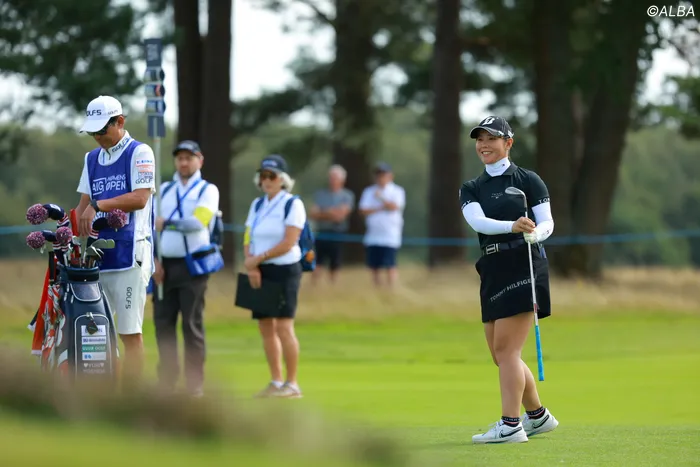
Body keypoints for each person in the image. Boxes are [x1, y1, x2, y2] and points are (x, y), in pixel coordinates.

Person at [460, 116, 559, 444]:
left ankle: (511, 425)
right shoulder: (472, 187)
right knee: (500, 354)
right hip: (492, 267)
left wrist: (535, 234)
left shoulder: (529, 180)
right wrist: (512, 226)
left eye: (491, 138)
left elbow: (547, 222)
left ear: (508, 143)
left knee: (506, 350)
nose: (484, 145)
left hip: (524, 264)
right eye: (480, 139)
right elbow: (478, 222)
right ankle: (538, 417)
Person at [75, 95, 156, 390]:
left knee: (129, 333)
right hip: (98, 258)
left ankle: (131, 400)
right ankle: (108, 396)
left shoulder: (140, 152)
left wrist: (98, 206)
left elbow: (140, 198)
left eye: (102, 129)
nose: (97, 136)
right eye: (93, 131)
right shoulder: (91, 158)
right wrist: (68, 237)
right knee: (99, 333)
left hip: (130, 255)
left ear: (120, 122)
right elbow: (82, 207)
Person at [152, 140, 221, 397]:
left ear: (199, 160)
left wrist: (168, 223)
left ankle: (194, 385)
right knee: (163, 324)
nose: (183, 162)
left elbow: (198, 222)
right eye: (180, 158)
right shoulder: (164, 189)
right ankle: (167, 382)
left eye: (189, 158)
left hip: (193, 266)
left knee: (191, 325)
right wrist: (153, 261)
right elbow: (150, 227)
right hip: (164, 265)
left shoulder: (207, 190)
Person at [243, 154, 306, 398]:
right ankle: (276, 381)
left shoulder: (292, 204)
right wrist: (251, 265)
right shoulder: (257, 205)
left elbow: (289, 242)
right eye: (264, 176)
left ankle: (293, 383)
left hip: (285, 269)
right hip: (260, 270)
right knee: (265, 326)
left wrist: (258, 258)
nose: (267, 180)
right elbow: (248, 236)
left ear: (283, 179)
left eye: (272, 176)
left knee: (283, 326)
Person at [358, 162, 405, 287]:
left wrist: (381, 199)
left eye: (383, 175)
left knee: (390, 264)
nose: (380, 178)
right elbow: (363, 210)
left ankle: (391, 287)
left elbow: (394, 207)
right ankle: (377, 289)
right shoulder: (369, 191)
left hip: (390, 234)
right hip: (373, 234)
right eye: (378, 175)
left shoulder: (397, 191)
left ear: (390, 176)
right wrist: (381, 207)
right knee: (374, 266)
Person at [308, 164, 355, 284]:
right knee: (317, 260)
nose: (332, 180)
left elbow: (340, 216)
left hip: (337, 233)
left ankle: (334, 286)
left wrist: (323, 212)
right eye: (331, 178)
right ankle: (314, 286)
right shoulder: (320, 194)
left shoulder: (347, 195)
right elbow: (313, 213)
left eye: (335, 178)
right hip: (322, 232)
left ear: (342, 180)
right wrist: (331, 212)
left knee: (335, 262)